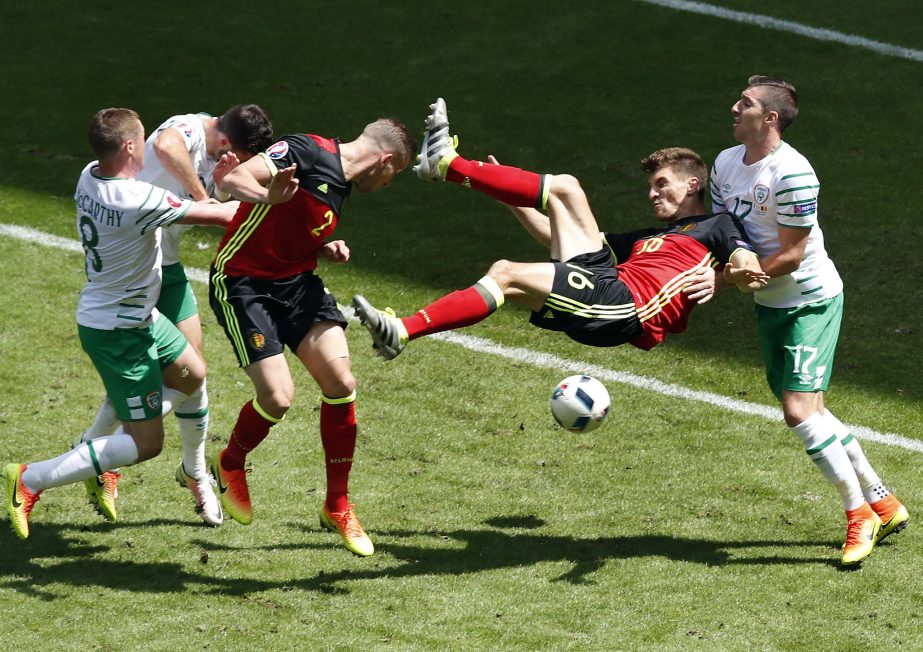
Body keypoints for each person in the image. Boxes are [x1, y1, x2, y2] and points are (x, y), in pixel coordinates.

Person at [352, 98, 767, 366]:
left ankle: (447, 165)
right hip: (608, 284)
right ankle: (401, 330)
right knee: (564, 191)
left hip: (625, 307)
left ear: (693, 184)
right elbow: (558, 242)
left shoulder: (717, 225)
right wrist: (506, 192)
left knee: (507, 273)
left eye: (662, 184)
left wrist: (739, 273)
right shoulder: (646, 239)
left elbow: (744, 258)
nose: (652, 194)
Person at [3, 108, 239, 539]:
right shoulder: (138, 201)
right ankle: (30, 478)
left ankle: (101, 450)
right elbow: (223, 216)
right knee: (148, 445)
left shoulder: (89, 176)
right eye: (143, 139)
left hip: (139, 316)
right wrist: (259, 195)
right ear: (130, 147)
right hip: (116, 332)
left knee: (194, 374)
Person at [709, 75, 909, 566]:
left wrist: (728, 281)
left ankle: (858, 514)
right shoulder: (725, 163)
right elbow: (722, 228)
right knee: (813, 413)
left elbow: (793, 254)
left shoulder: (794, 173)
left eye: (747, 103)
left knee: (798, 411)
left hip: (809, 301)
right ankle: (884, 501)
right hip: (770, 304)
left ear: (770, 119)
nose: (734, 107)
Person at [207, 117, 416, 556]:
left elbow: (291, 228)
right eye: (394, 174)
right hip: (244, 282)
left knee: (341, 385)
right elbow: (235, 177)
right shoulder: (306, 150)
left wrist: (321, 248)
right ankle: (229, 462)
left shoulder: (341, 183)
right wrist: (269, 195)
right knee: (278, 398)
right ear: (386, 160)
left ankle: (337, 505)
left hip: (297, 282)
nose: (388, 184)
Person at [77, 105, 273, 527]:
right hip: (141, 274)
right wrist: (207, 195)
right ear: (225, 140)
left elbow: (225, 202)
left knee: (191, 373)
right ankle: (95, 455)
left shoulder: (218, 158)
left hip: (166, 269)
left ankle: (194, 470)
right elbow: (166, 147)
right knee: (157, 377)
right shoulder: (186, 129)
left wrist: (225, 185)